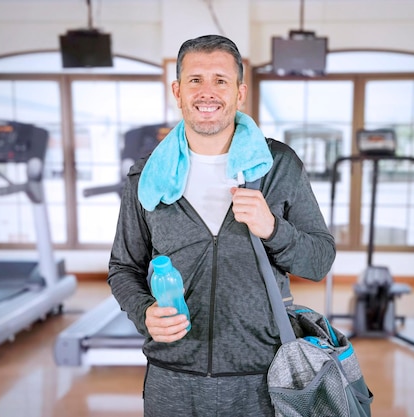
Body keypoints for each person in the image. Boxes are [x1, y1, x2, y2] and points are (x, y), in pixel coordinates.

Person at [107, 34, 336, 417]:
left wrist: (273, 229)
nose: (207, 92)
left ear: (240, 92)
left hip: (262, 375)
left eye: (220, 80)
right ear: (177, 91)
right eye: (195, 80)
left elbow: (320, 260)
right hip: (172, 377)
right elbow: (123, 268)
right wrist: (144, 312)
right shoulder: (146, 176)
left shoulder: (278, 166)